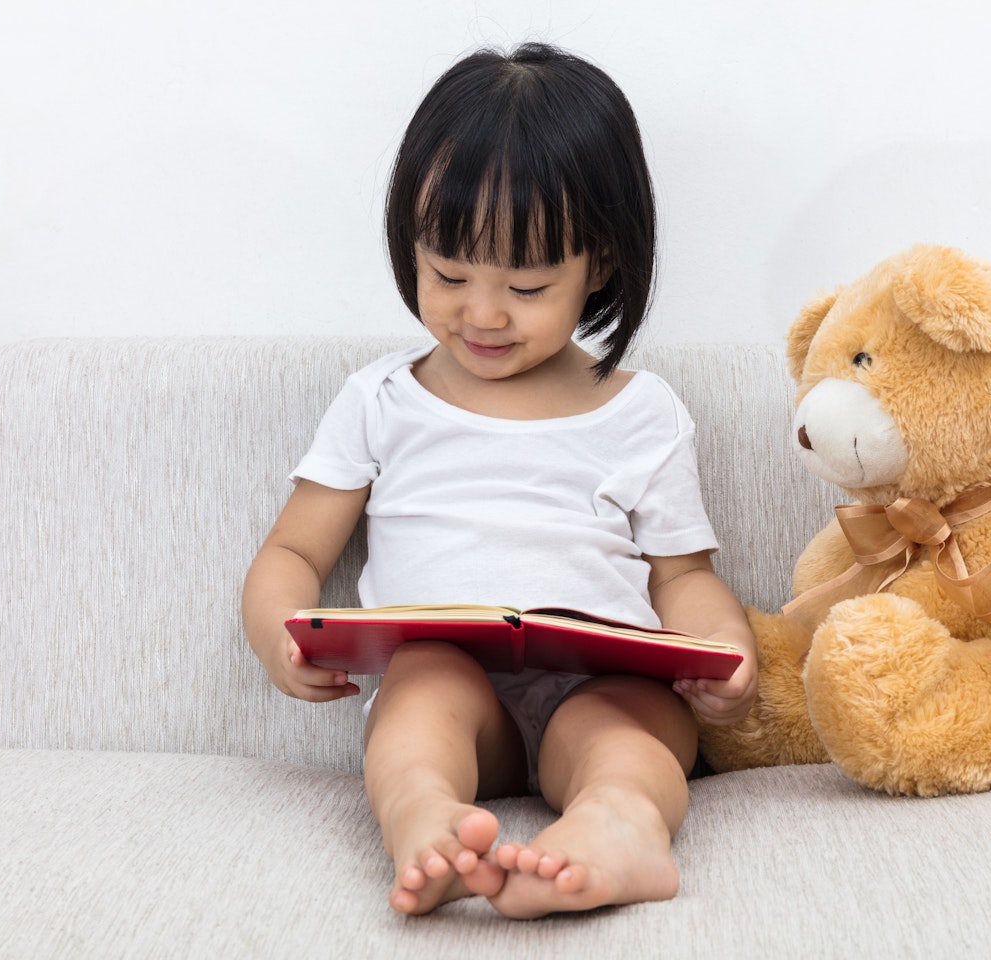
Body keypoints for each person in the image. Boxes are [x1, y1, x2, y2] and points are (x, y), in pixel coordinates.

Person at [241, 43, 757, 920]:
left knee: (623, 739)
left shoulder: (643, 412)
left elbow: (684, 576)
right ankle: (425, 819)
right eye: (446, 274)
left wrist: (727, 662)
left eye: (526, 285)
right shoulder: (381, 402)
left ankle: (618, 825)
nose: (480, 313)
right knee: (420, 701)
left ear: (600, 265)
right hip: (454, 680)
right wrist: (278, 638)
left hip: (606, 682)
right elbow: (293, 547)